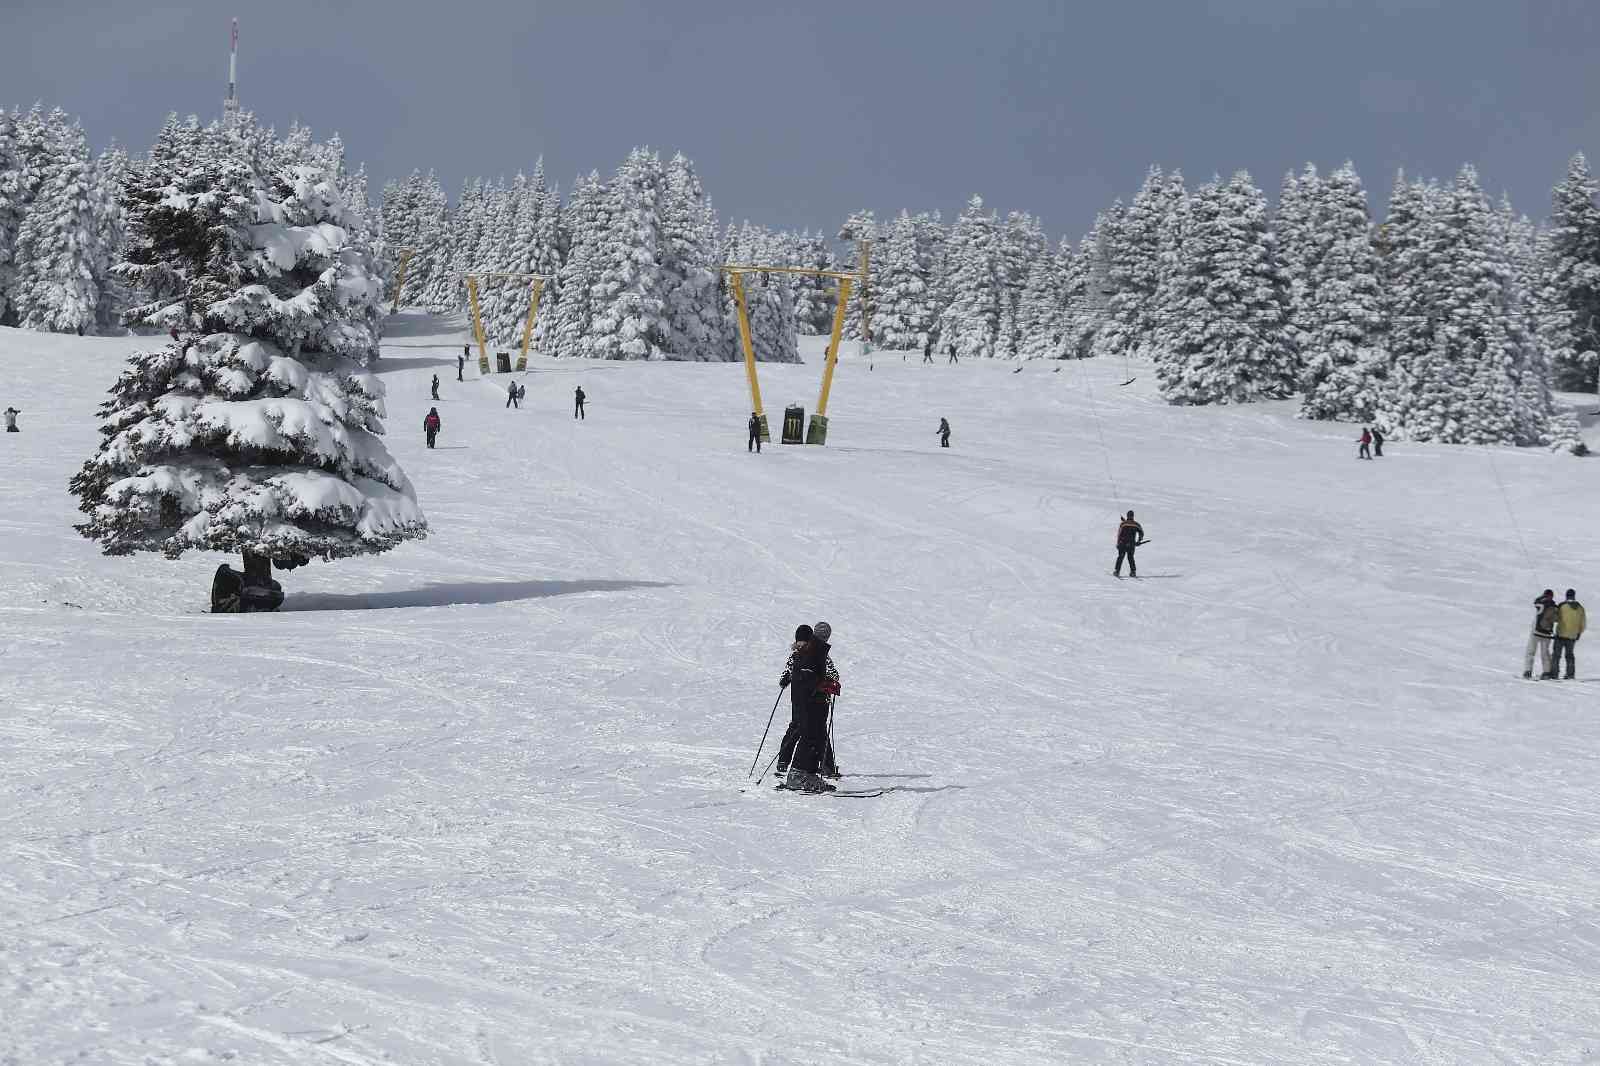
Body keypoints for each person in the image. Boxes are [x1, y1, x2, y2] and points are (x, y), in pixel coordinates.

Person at [776, 623, 843, 780]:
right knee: (798, 729)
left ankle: (827, 766)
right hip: (799, 700)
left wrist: (827, 683)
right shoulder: (795, 656)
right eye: (798, 642)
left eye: (804, 642)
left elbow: (833, 674)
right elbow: (787, 672)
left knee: (816, 732)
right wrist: (786, 678)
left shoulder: (820, 655)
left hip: (814, 699)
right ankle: (784, 761)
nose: (801, 645)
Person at [1524, 589, 1559, 679]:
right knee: (1545, 653)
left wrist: (1542, 597)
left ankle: (1528, 671)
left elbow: (1535, 602)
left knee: (1531, 651)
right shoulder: (1555, 607)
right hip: (1547, 634)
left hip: (1536, 632)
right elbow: (1557, 619)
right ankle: (1546, 672)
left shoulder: (1541, 603)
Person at [1552, 588, 1586, 680]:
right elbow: (1583, 623)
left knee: (1556, 655)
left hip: (1561, 634)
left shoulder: (1562, 606)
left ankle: (1554, 674)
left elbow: (1555, 618)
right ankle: (1570, 674)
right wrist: (1579, 633)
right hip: (1573, 636)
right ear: (1574, 596)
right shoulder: (1580, 608)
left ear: (1567, 596)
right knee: (1569, 655)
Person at [1114, 510, 1144, 578]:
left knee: (1120, 557)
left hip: (1122, 543)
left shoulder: (1123, 524)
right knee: (1130, 557)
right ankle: (1133, 572)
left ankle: (1117, 571)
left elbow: (1119, 534)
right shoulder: (1136, 524)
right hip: (1131, 544)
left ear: (1127, 516)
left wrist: (1118, 543)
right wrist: (1139, 541)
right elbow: (1141, 533)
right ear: (1133, 516)